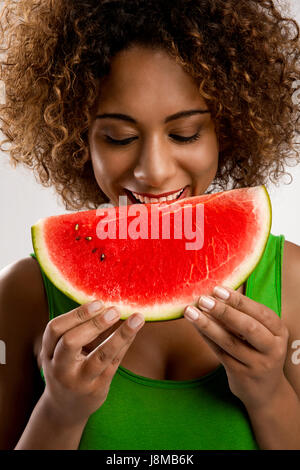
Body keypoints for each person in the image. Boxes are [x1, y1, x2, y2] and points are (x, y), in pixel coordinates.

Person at [0, 0, 300, 451]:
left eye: (185, 134)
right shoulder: (23, 294)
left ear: (229, 129)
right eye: (120, 138)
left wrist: (268, 393)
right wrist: (60, 412)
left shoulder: (292, 282)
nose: (155, 172)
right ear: (79, 139)